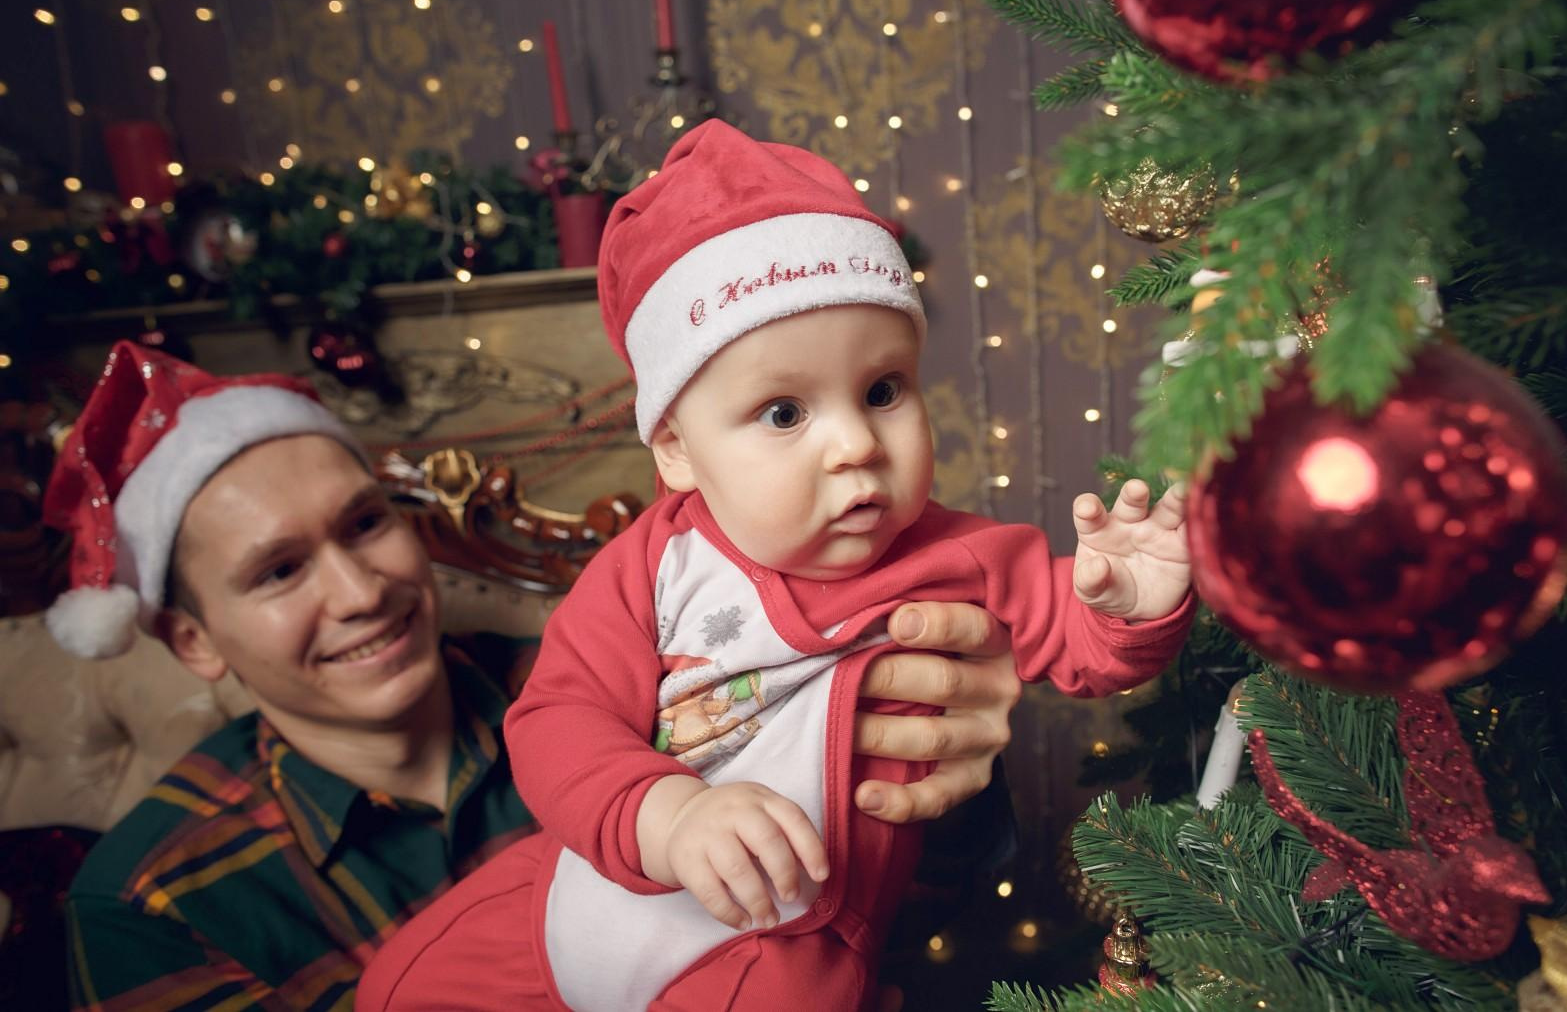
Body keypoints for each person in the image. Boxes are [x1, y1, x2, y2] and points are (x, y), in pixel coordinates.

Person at [357, 120, 1196, 1012]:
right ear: (676, 451)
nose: (855, 445)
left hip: (785, 942)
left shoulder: (964, 558)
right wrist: (669, 816)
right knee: (397, 985)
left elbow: (1080, 646)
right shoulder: (652, 564)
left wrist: (1130, 607)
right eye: (785, 412)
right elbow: (557, 717)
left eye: (883, 390)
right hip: (573, 899)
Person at [43, 341, 1026, 1010]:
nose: (359, 590)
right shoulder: (148, 896)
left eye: (366, 523)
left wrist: (942, 753)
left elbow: (898, 900)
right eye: (280, 570)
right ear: (193, 640)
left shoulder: (617, 683)